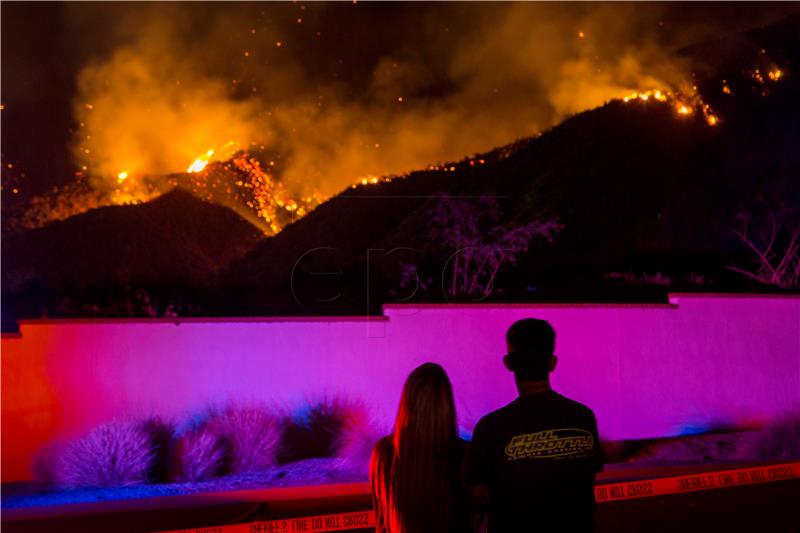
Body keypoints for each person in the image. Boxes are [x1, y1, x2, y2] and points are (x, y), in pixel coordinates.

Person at [468, 318, 603, 532]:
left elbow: (478, 497)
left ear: (508, 363)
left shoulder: (490, 428)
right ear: (552, 362)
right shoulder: (584, 418)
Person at [370, 362, 471, 533]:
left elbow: (382, 524)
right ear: (446, 405)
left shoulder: (384, 453)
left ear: (407, 402)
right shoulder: (463, 454)